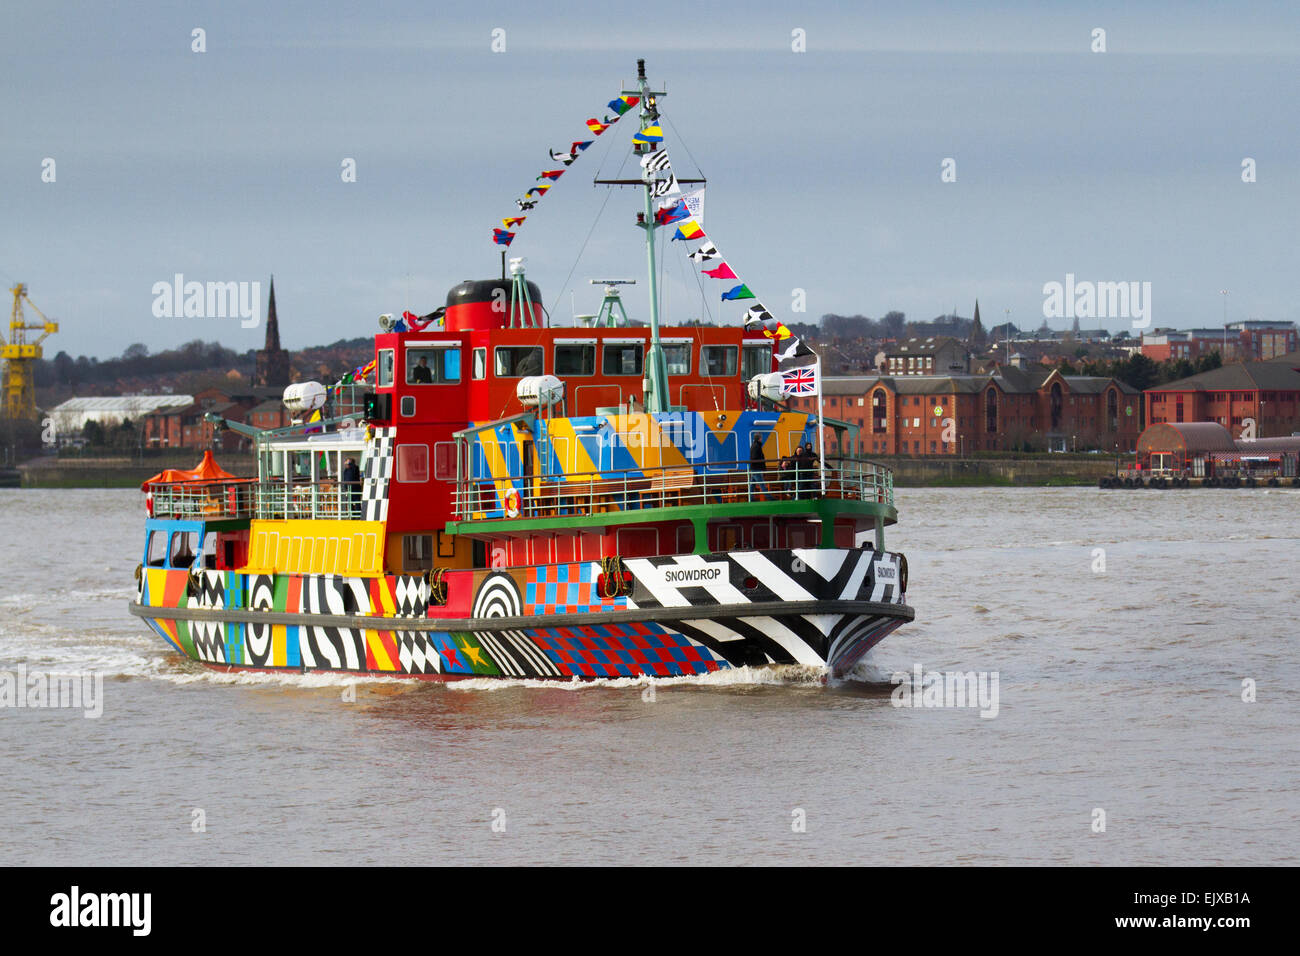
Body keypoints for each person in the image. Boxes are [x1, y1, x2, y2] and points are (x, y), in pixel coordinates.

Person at [748, 433, 768, 499]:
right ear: (759, 438)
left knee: (752, 485)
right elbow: (754, 457)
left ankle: (751, 498)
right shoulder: (756, 446)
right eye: (761, 438)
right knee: (762, 484)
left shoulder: (754, 445)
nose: (761, 439)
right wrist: (762, 460)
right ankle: (770, 498)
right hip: (756, 468)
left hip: (754, 468)